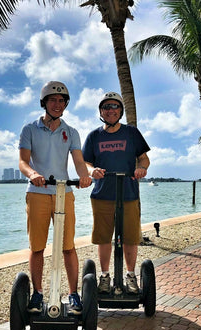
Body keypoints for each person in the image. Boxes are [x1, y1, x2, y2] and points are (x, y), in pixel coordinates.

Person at [18, 81, 92, 315]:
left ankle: (73, 294)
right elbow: (23, 161)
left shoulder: (70, 132)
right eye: (53, 100)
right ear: (44, 103)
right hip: (38, 193)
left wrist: (84, 177)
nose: (57, 104)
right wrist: (33, 174)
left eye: (61, 101)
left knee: (68, 247)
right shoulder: (29, 129)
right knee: (37, 247)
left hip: (63, 194)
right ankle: (37, 293)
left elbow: (79, 162)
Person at [81, 92, 150, 294]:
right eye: (106, 107)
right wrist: (91, 170)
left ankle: (130, 275)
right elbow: (85, 162)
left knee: (130, 237)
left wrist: (141, 169)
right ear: (101, 111)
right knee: (103, 238)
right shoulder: (94, 136)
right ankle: (104, 276)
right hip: (102, 194)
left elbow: (144, 158)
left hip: (128, 194)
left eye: (114, 106)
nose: (110, 110)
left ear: (120, 110)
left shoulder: (131, 133)